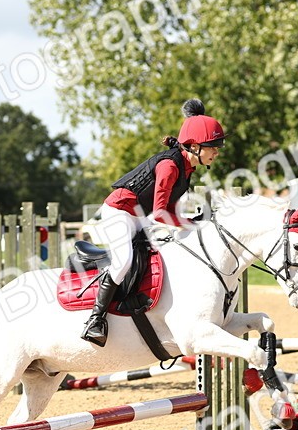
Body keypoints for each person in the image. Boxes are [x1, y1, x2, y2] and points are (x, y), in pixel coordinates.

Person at [80, 98, 225, 346]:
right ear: (193, 146)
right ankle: (96, 319)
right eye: (212, 146)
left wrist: (192, 223)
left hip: (139, 216)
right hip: (119, 212)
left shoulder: (187, 169)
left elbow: (167, 208)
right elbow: (160, 214)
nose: (216, 151)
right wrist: (190, 224)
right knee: (124, 261)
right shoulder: (170, 166)